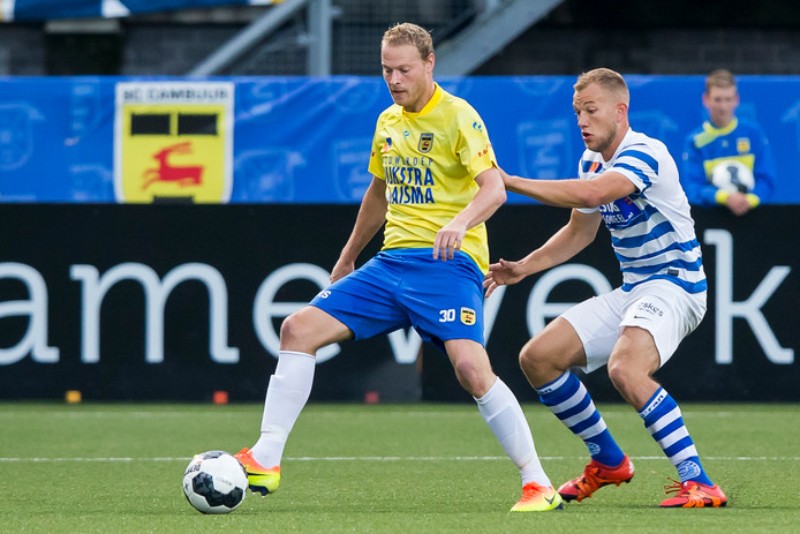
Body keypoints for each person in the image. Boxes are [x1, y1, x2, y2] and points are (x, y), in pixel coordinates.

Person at [235, 22, 562, 513]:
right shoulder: (388, 120)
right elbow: (379, 192)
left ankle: (538, 483)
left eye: (404, 69)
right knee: (297, 329)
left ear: (430, 64)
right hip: (390, 265)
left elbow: (494, 188)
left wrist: (461, 221)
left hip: (449, 267)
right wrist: (348, 256)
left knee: (472, 370)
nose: (394, 79)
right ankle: (265, 458)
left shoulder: (459, 117)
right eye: (386, 69)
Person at [485, 68, 727, 508]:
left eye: (591, 110)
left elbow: (597, 194)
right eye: (577, 111)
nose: (582, 120)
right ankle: (609, 461)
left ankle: (701, 481)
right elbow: (580, 232)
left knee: (625, 368)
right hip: (635, 288)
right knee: (538, 359)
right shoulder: (591, 161)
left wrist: (511, 181)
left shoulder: (645, 152)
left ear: (620, 110)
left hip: (676, 286)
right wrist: (524, 267)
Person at [682, 68, 776, 216]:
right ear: (706, 100)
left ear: (736, 100)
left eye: (728, 99)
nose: (723, 107)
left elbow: (766, 179)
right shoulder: (696, 141)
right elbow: (694, 187)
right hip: (712, 218)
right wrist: (724, 197)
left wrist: (749, 200)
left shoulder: (753, 133)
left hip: (751, 215)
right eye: (717, 100)